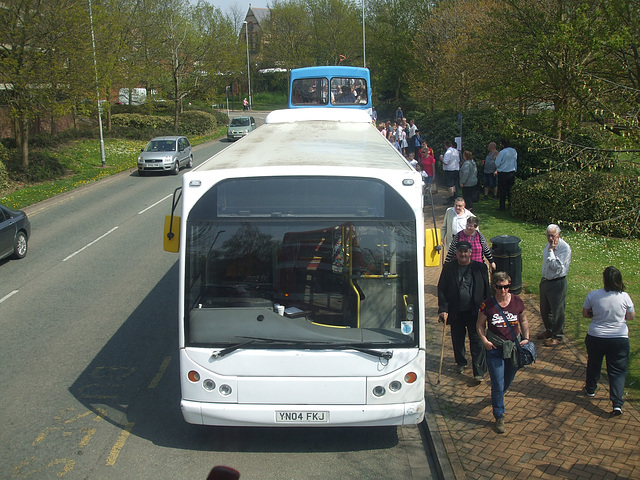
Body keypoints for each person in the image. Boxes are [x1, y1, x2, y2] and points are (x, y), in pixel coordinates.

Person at [476, 271, 530, 434]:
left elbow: (524, 320)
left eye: (506, 287)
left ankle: (497, 396)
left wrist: (526, 337)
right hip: (495, 350)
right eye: (500, 287)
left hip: (513, 349)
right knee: (498, 384)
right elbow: (479, 325)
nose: (504, 290)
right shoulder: (487, 305)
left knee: (506, 381)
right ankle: (499, 415)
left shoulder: (517, 302)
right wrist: (485, 341)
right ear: (495, 287)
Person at [582, 266, 635, 416]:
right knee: (617, 371)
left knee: (594, 363)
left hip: (596, 337)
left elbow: (586, 313)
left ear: (604, 280)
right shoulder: (625, 297)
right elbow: (631, 316)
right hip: (619, 339)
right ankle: (617, 404)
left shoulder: (593, 295)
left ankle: (591, 389)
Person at [438, 241, 491, 382]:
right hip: (456, 312)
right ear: (456, 253)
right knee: (457, 340)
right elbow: (442, 289)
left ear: (470, 253)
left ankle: (479, 371)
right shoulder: (449, 268)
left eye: (465, 252)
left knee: (477, 341)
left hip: (476, 313)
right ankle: (461, 362)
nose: (463, 254)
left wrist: (489, 310)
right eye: (460, 252)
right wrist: (443, 309)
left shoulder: (480, 268)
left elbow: (487, 290)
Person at [536, 224, 571, 346]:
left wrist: (551, 251)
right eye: (548, 235)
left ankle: (558, 336)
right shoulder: (548, 244)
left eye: (553, 236)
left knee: (557, 311)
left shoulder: (564, 248)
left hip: (557, 282)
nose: (550, 238)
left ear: (558, 235)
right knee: (545, 310)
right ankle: (549, 331)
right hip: (546, 280)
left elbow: (556, 266)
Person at [494, 139, 517, 211]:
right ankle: (511, 205)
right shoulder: (514, 151)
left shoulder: (502, 152)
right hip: (512, 172)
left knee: (502, 190)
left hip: (503, 173)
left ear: (503, 145)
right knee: (510, 190)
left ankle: (502, 206)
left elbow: (497, 163)